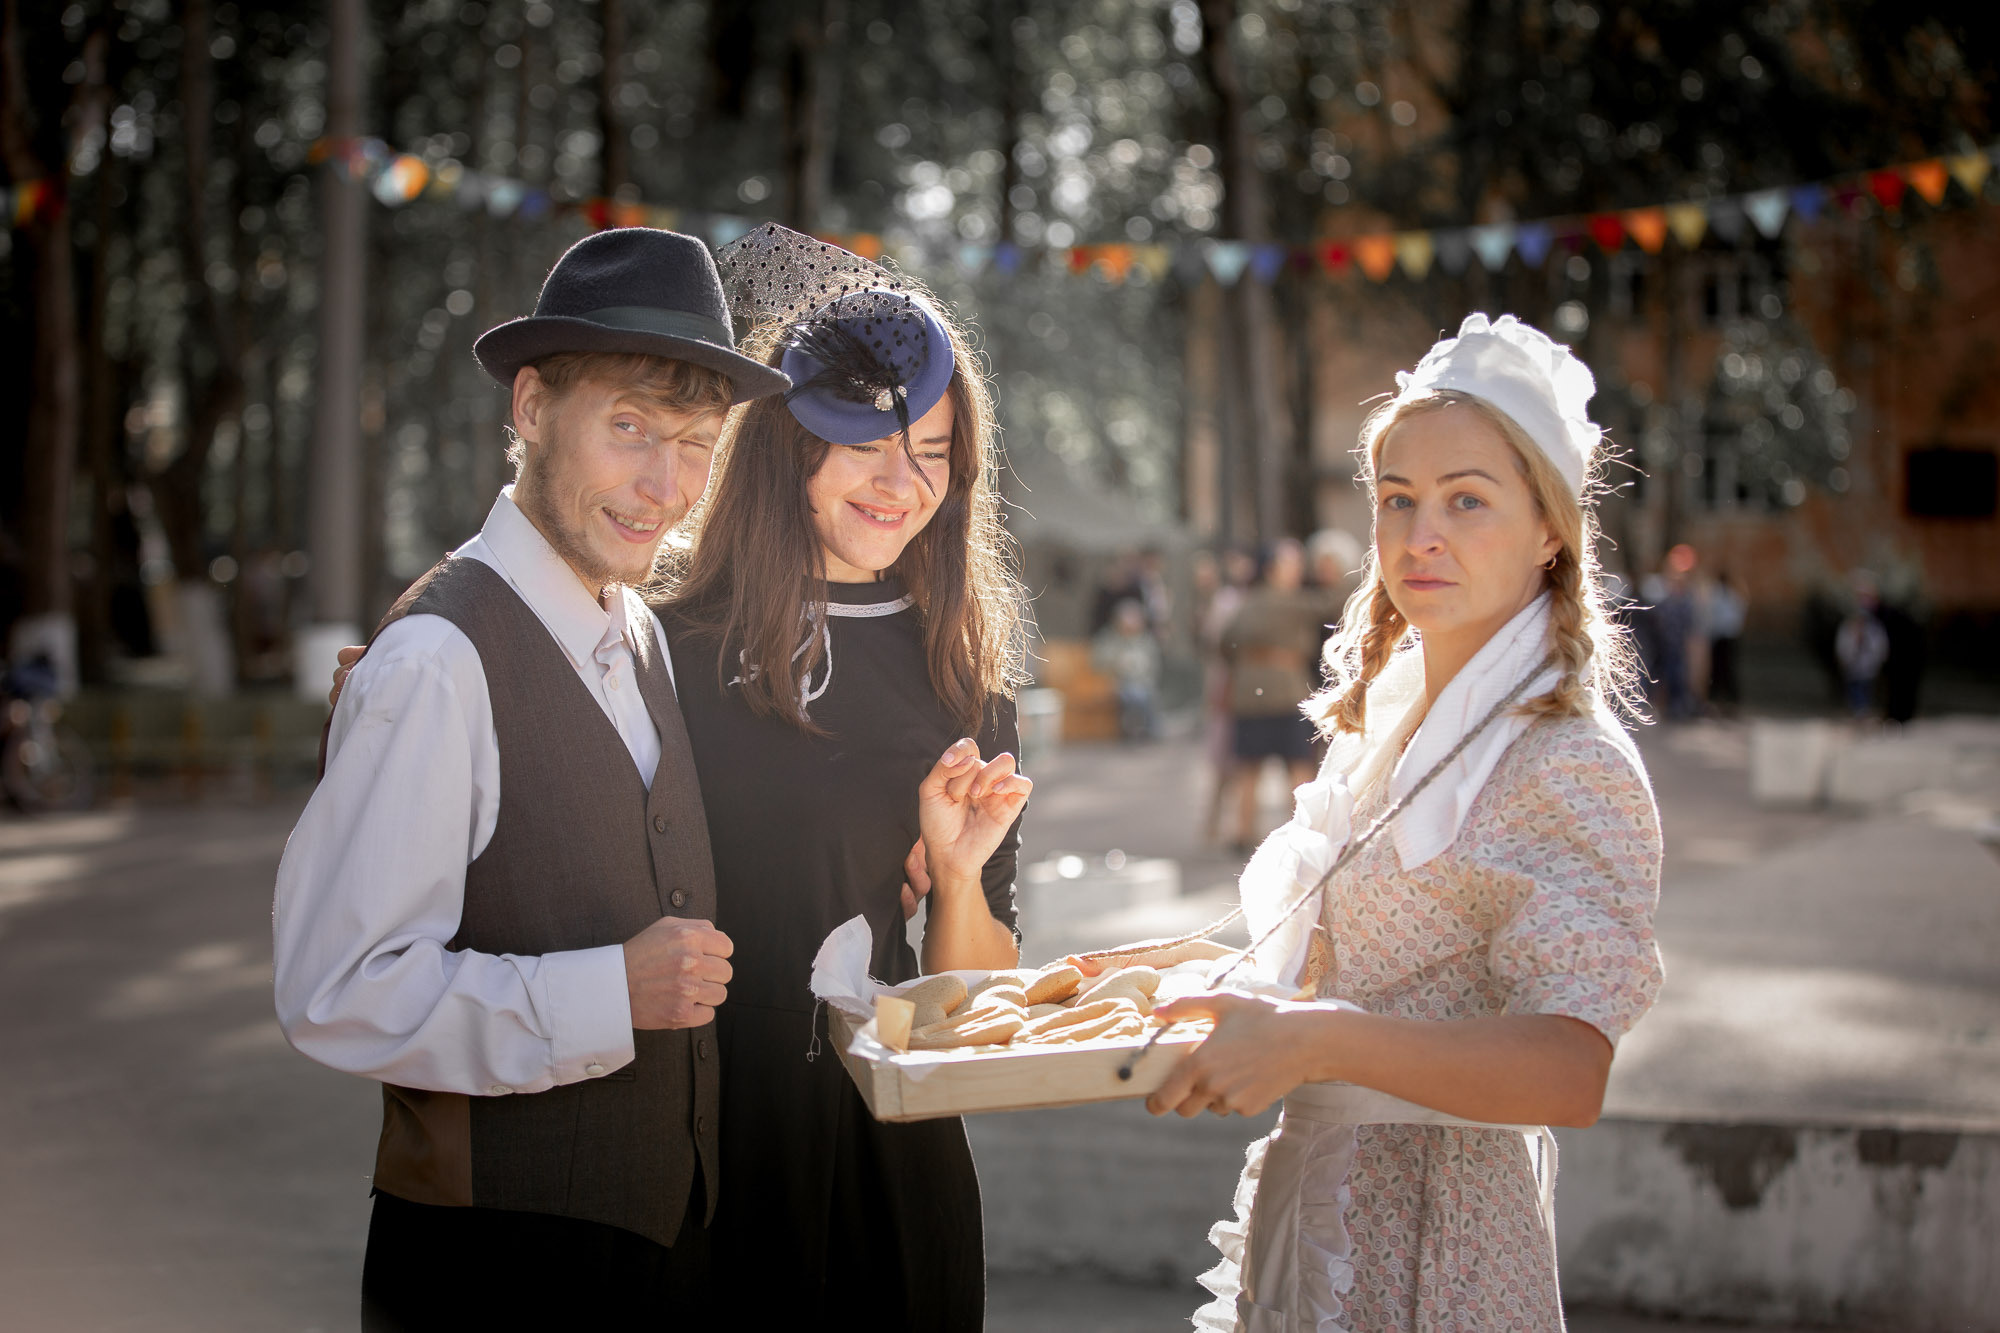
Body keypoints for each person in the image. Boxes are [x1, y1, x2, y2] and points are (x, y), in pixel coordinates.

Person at [273, 227, 791, 1327]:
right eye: (628, 427)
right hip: (492, 1271)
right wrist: (607, 992)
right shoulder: (434, 661)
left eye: (695, 443)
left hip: (661, 1252)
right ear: (529, 408)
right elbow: (338, 989)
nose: (665, 483)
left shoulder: (639, 631)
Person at [1144, 313, 1664, 1330]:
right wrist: (1165, 972)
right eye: (1397, 500)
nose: (1418, 536)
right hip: (1324, 1198)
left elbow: (1571, 1069)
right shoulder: (1395, 712)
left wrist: (1316, 1042)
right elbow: (1343, 950)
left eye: (1465, 501)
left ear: (1549, 527)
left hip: (1441, 1245)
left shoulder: (1566, 760)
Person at [661, 225, 1029, 1330]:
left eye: (932, 448)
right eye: (865, 443)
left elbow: (970, 1009)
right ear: (787, 443)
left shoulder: (963, 686)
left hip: (885, 1152)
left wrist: (959, 880)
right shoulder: (658, 646)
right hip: (692, 1142)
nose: (900, 482)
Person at [1221, 538, 1340, 852]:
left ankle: (1242, 832)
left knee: (1248, 767)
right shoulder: (1293, 602)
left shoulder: (1246, 602)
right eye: (1291, 564)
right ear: (1274, 569)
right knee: (1299, 765)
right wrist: (1334, 574)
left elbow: (1223, 641)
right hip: (1288, 691)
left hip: (1248, 694)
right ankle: (1303, 832)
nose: (1297, 570)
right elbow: (1332, 603)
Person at [1094, 596, 1164, 740]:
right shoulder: (1109, 638)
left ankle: (1148, 731)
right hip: (1118, 683)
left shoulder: (1146, 641)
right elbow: (1099, 661)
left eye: (1134, 619)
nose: (1130, 624)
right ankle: (1132, 731)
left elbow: (1153, 665)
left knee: (1144, 694)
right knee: (1133, 695)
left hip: (1143, 682)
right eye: (1127, 619)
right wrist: (1117, 664)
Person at [1835, 573, 1890, 720]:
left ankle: (1863, 711)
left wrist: (1879, 660)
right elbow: (1843, 645)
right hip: (1853, 665)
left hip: (1867, 665)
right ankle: (1857, 711)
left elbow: (1879, 645)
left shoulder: (1873, 629)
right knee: (1854, 688)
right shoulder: (1848, 629)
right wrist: (1844, 658)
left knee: (1865, 688)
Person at [1706, 569, 1745, 715]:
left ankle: (1728, 700)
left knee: (1726, 669)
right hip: (1722, 636)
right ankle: (1718, 700)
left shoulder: (1730, 596)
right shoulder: (1723, 595)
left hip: (1726, 637)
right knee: (1718, 669)